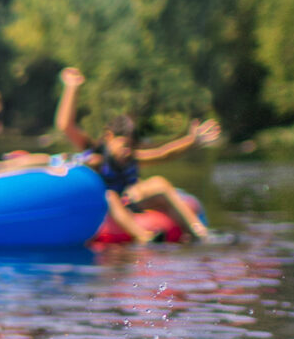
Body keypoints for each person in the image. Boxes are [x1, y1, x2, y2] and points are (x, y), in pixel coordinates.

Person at [53, 67, 220, 241]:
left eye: (131, 147)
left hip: (131, 201)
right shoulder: (96, 152)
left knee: (159, 183)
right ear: (110, 137)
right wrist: (72, 87)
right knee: (110, 196)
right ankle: (144, 237)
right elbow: (66, 126)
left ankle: (200, 232)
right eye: (124, 145)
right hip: (107, 206)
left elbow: (164, 153)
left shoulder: (131, 156)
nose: (128, 152)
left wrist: (192, 140)